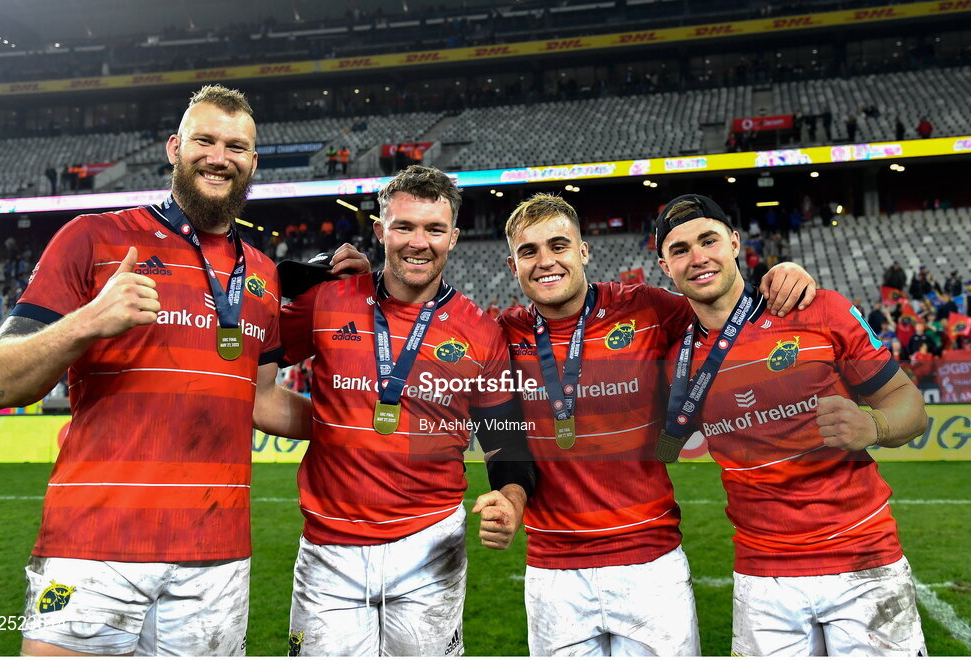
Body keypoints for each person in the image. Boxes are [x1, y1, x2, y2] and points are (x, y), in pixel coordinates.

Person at [0, 84, 342, 656]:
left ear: (252, 163)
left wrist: (360, 426)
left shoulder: (263, 275)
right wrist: (87, 322)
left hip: (215, 559)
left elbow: (264, 401)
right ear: (174, 147)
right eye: (204, 140)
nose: (219, 157)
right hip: (93, 545)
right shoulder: (92, 238)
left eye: (236, 147)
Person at [498, 194, 815, 656]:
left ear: (583, 252)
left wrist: (783, 275)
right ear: (513, 265)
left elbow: (723, 305)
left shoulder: (647, 307)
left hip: (650, 562)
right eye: (529, 252)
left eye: (559, 246)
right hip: (552, 569)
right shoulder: (501, 332)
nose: (546, 262)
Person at [278, 165, 536, 656]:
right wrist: (297, 274)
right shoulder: (327, 300)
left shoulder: (481, 331)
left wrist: (512, 499)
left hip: (431, 547)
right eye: (404, 226)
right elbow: (248, 364)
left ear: (454, 237)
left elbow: (506, 439)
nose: (419, 242)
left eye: (434, 229)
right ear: (379, 231)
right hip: (329, 549)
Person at [655, 193, 928, 656]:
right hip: (763, 578)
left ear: (736, 243)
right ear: (665, 267)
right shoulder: (671, 354)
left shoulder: (817, 308)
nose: (697, 258)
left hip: (864, 560)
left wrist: (873, 426)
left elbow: (912, 407)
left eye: (709, 240)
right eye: (680, 250)